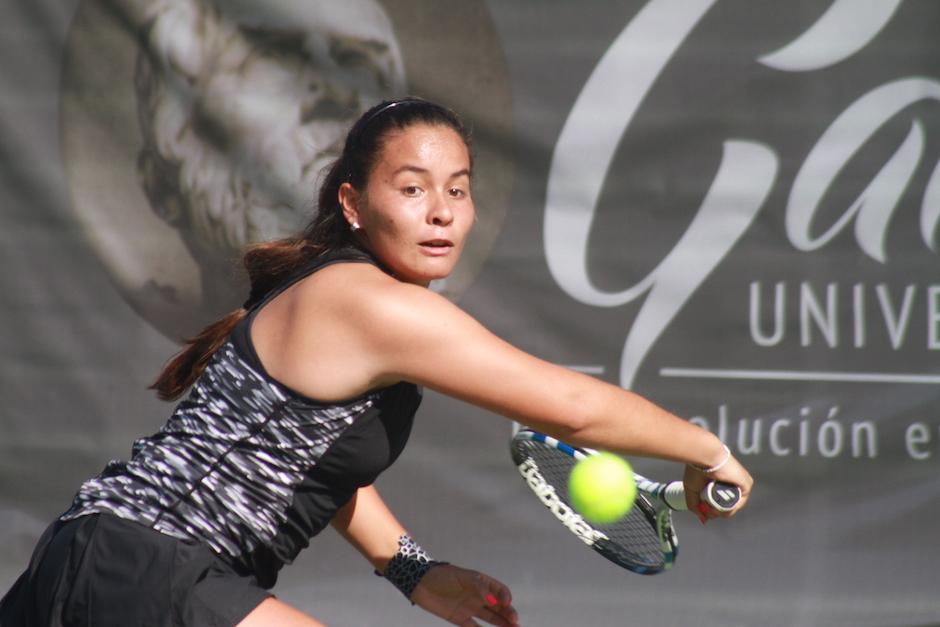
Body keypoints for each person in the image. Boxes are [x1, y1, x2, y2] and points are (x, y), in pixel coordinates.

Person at [0, 97, 752, 627]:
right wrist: (708, 449)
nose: (441, 210)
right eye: (413, 187)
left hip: (103, 555)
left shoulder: (344, 290)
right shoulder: (373, 304)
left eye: (458, 189)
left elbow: (318, 473)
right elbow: (572, 408)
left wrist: (413, 572)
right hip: (145, 565)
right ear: (354, 204)